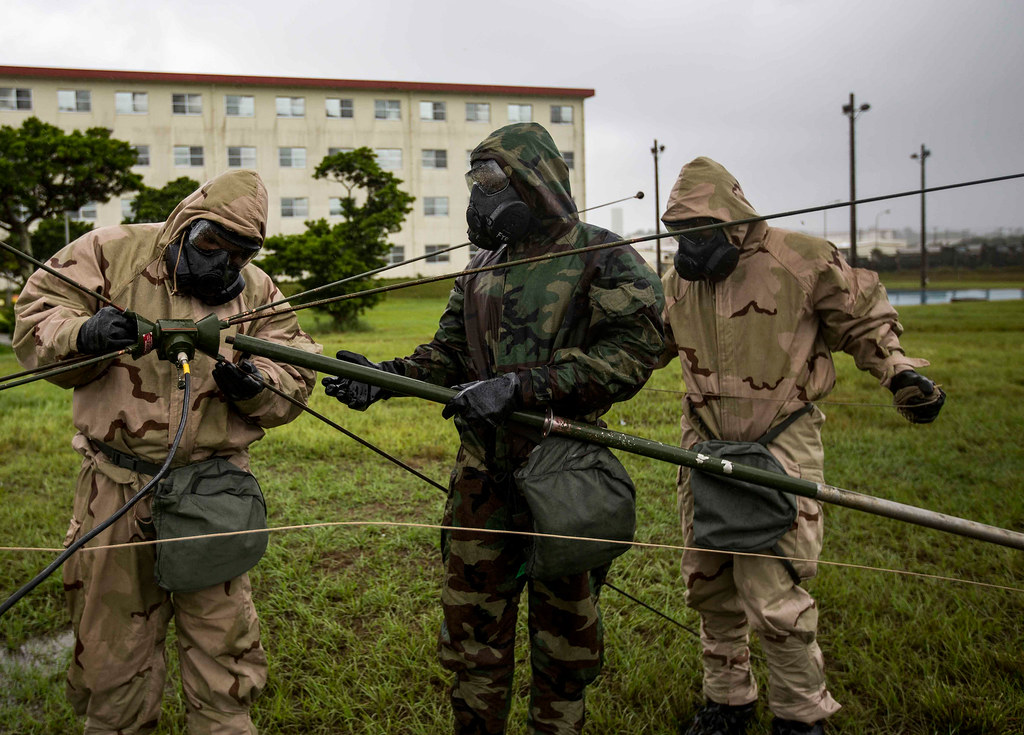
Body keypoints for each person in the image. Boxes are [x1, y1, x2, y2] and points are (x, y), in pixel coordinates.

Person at [322, 122, 665, 734]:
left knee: (566, 647)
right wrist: (385, 378)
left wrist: (523, 386)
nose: (478, 199)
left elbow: (634, 352)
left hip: (564, 476)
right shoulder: (482, 266)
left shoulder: (603, 255)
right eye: (474, 184)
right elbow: (448, 355)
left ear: (533, 184)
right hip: (482, 484)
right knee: (472, 643)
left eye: (491, 183)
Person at [13, 169, 320, 734]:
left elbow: (296, 366)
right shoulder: (111, 252)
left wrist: (258, 385)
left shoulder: (257, 290)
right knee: (111, 653)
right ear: (184, 224)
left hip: (212, 489)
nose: (222, 264)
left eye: (238, 254)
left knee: (223, 646)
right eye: (209, 245)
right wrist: (82, 336)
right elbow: (37, 314)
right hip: (115, 486)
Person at [658, 157, 944, 735]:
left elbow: (863, 322)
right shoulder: (678, 282)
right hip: (703, 446)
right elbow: (643, 345)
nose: (690, 246)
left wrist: (901, 376)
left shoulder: (802, 258)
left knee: (771, 591)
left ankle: (800, 716)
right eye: (679, 233)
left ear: (733, 220)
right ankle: (727, 702)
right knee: (709, 583)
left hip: (780, 441)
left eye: (700, 231)